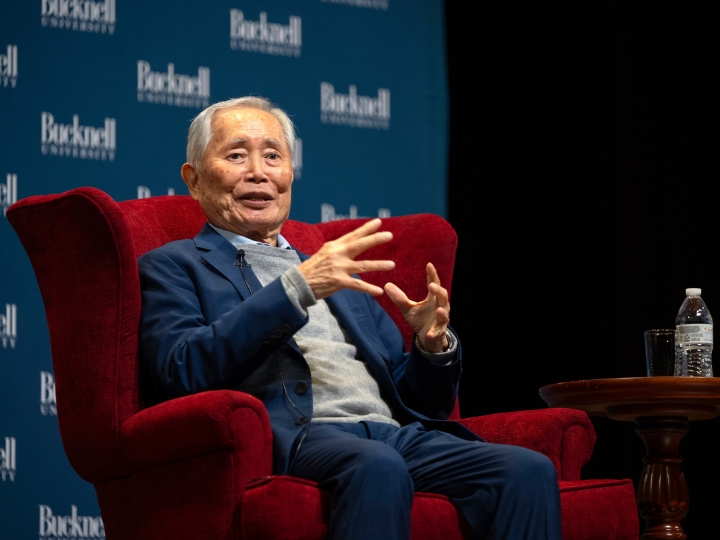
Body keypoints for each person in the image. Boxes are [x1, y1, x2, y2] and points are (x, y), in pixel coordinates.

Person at [138, 96, 560, 540]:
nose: (258, 172)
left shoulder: (333, 269)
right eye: (236, 155)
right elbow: (181, 369)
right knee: (378, 466)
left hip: (392, 434)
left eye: (273, 156)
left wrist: (431, 347)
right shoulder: (174, 265)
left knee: (525, 469)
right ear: (195, 180)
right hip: (302, 436)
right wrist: (298, 288)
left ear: (290, 175)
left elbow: (419, 400)